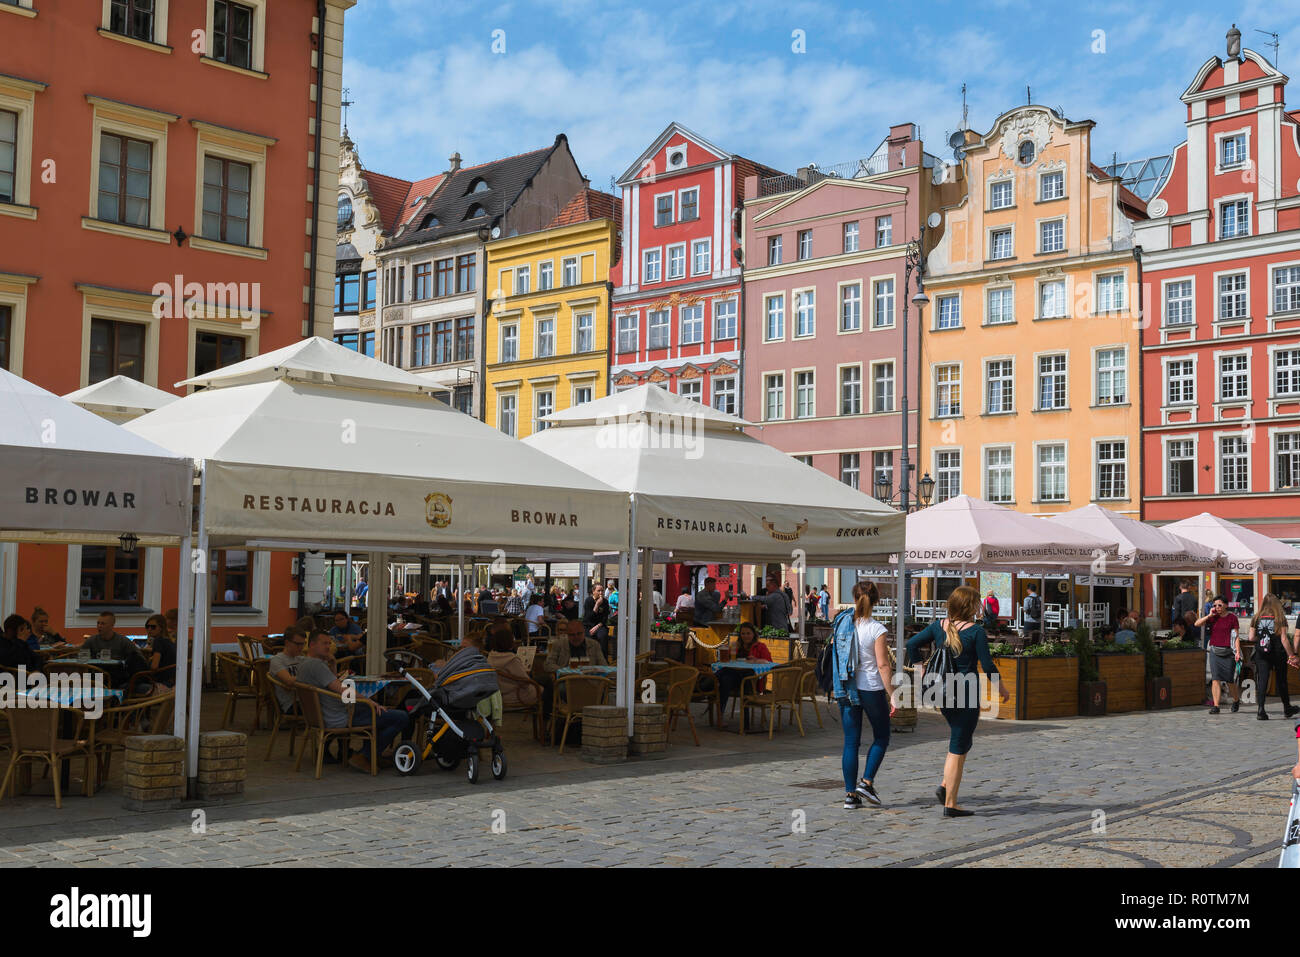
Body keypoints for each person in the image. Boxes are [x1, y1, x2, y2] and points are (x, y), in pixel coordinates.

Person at [906, 585, 1009, 817]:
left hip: (942, 691)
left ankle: (945, 786)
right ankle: (951, 804)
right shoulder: (976, 632)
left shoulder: (938, 626)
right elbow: (988, 665)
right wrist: (1001, 688)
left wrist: (920, 669)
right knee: (958, 747)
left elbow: (911, 644)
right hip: (966, 691)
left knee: (962, 740)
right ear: (970, 607)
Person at [295, 630, 410, 772]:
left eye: (329, 643)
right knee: (401, 717)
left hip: (322, 716)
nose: (328, 647)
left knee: (379, 714)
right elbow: (343, 690)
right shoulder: (316, 665)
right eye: (324, 643)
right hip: (341, 716)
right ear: (312, 645)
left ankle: (373, 755)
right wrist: (370, 702)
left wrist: (332, 665)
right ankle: (365, 755)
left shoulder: (303, 664)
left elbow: (331, 685)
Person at [831, 581, 894, 809]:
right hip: (870, 689)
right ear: (876, 601)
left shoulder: (842, 623)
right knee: (882, 736)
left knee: (851, 743)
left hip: (846, 687)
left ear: (854, 597)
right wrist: (893, 694)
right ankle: (866, 782)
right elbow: (883, 665)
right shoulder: (876, 628)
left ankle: (850, 796)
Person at [1250, 594, 1299, 720]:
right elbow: (1284, 639)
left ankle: (1261, 710)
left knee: (1263, 680)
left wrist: (1262, 639)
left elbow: (1251, 637)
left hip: (1261, 653)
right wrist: (1292, 656)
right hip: (1278, 653)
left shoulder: (1256, 617)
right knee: (1281, 680)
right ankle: (1287, 708)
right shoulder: (1279, 618)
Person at [716, 623, 771, 730]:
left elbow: (768, 662)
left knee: (723, 677)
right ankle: (720, 717)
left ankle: (707, 683)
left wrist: (755, 660)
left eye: (748, 633)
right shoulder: (736, 645)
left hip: (751, 680)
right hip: (734, 677)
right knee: (726, 679)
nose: (745, 636)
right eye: (743, 633)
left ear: (753, 634)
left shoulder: (760, 646)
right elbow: (731, 662)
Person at [1196, 595, 1242, 714]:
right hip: (1215, 652)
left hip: (1228, 653)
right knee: (1215, 679)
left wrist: (1237, 652)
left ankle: (1236, 700)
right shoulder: (1213, 617)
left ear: (1226, 605)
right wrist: (1209, 615)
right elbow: (1197, 623)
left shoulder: (1232, 618)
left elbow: (1236, 636)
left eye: (1219, 605)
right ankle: (1216, 706)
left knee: (1229, 680)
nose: (1217, 607)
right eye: (1215, 605)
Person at [487, 629, 539, 711]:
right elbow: (525, 683)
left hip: (499, 695)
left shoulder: (490, 656)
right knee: (546, 686)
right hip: (516, 695)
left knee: (541, 680)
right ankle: (547, 717)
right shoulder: (511, 660)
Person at [267, 625, 309, 713]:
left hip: (306, 700)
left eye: (303, 644)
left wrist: (332, 664)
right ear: (287, 643)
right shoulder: (277, 660)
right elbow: (289, 681)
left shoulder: (301, 658)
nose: (301, 647)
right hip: (292, 704)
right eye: (298, 644)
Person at [142, 614, 175, 683]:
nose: (149, 629)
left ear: (161, 628)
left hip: (160, 684)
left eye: (153, 627)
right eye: (147, 627)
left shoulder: (158, 641)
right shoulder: (168, 640)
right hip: (170, 681)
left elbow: (154, 667)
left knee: (127, 687)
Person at [582, 583, 611, 657]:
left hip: (600, 625)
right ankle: (588, 659)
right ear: (593, 591)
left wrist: (597, 626)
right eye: (598, 591)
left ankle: (603, 659)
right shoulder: (588, 601)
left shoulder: (605, 602)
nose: (601, 593)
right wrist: (597, 605)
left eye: (602, 591)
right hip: (588, 625)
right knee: (589, 638)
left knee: (602, 636)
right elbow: (589, 617)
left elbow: (605, 618)